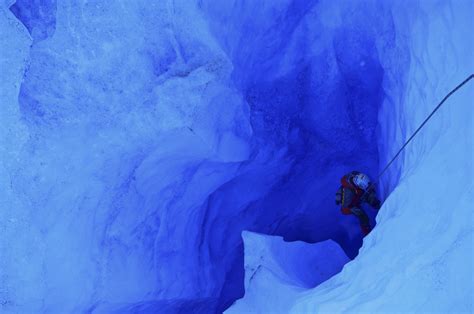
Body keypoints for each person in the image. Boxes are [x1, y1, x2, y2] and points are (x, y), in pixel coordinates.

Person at [335, 171, 381, 235]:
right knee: (362, 215)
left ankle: (377, 205)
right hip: (349, 206)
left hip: (357, 193)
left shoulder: (356, 175)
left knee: (368, 194)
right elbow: (345, 208)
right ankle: (367, 231)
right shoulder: (348, 193)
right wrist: (355, 203)